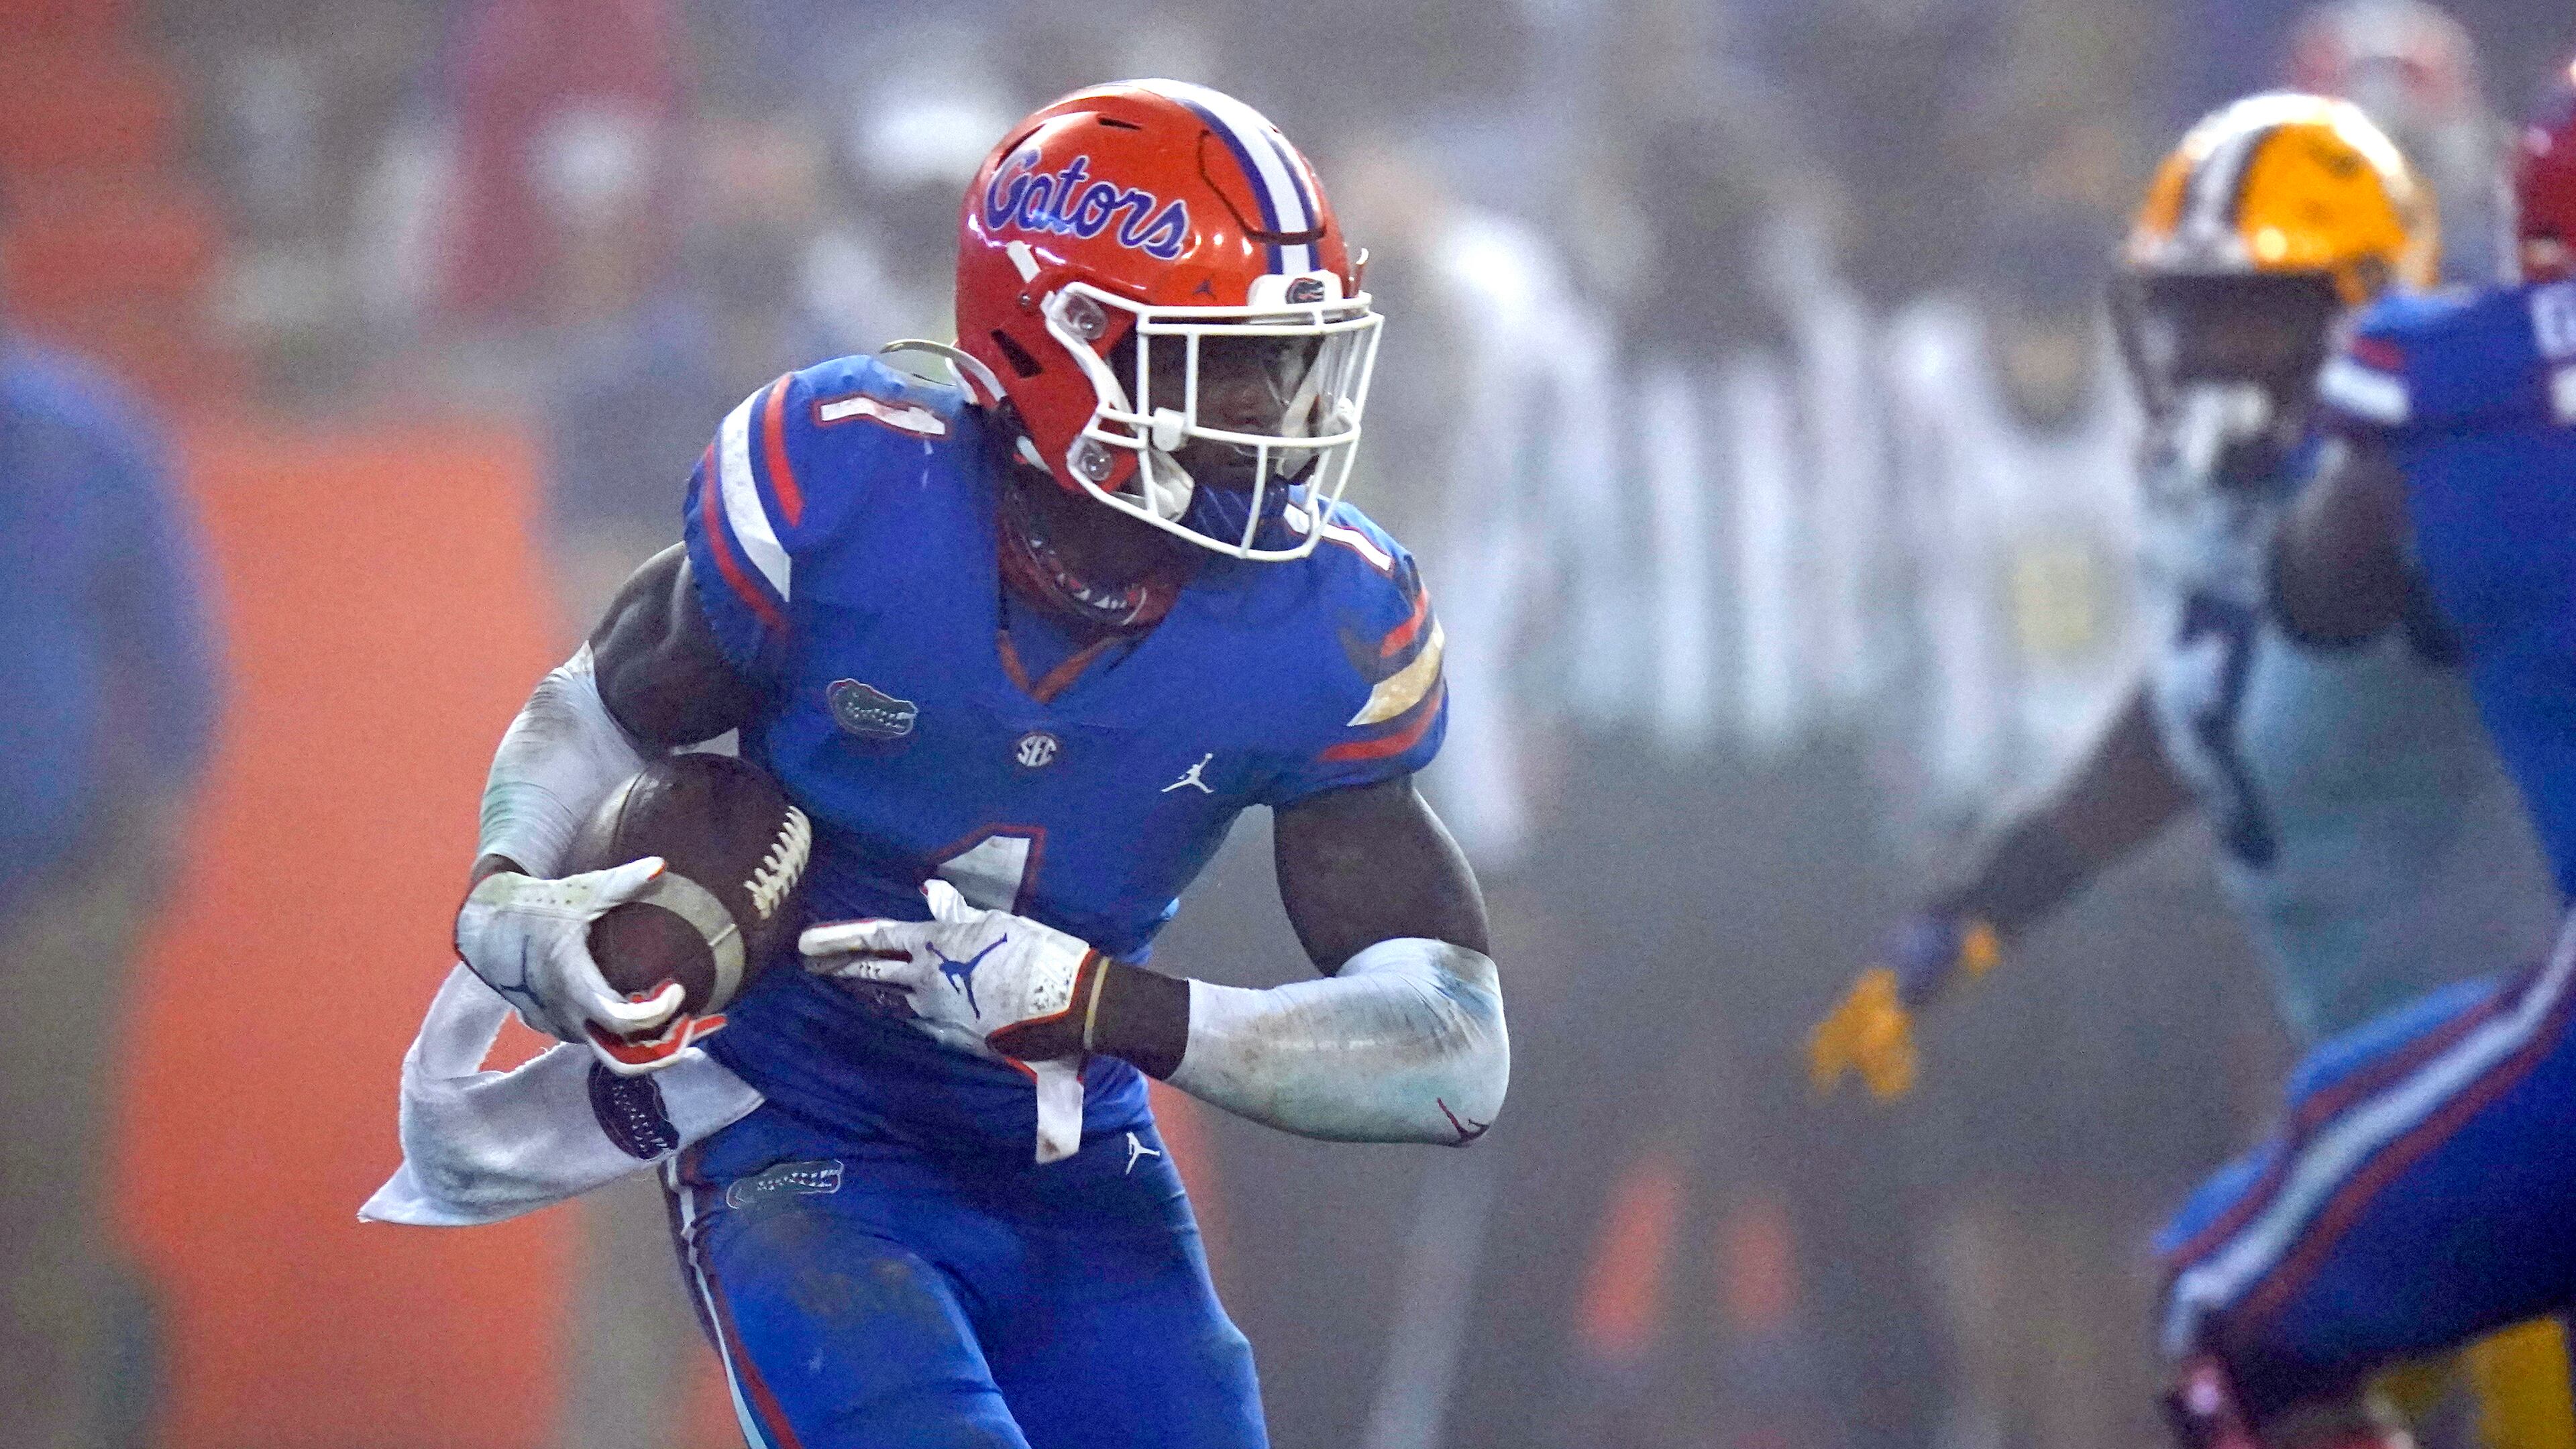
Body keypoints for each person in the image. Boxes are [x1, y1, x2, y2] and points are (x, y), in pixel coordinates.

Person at [384, 80, 1507, 1449]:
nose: (1281, 405)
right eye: (1228, 358)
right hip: (803, 1137)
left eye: (1292, 355)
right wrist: (513, 891)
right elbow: (614, 697)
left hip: (1074, 1158)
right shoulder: (857, 485)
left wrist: (1117, 1007)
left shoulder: (1323, 617)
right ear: (1067, 348)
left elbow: (1455, 1051)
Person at [2155, 61, 2576, 1449]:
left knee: (2223, 1309)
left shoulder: (2438, 389)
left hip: (2518, 1022)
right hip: (2415, 973)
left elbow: (2320, 585)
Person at [0, 326, 223, 1444]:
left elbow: (180, 663)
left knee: (42, 1251)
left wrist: (154, 839)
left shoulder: (81, 441)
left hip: (50, 913)